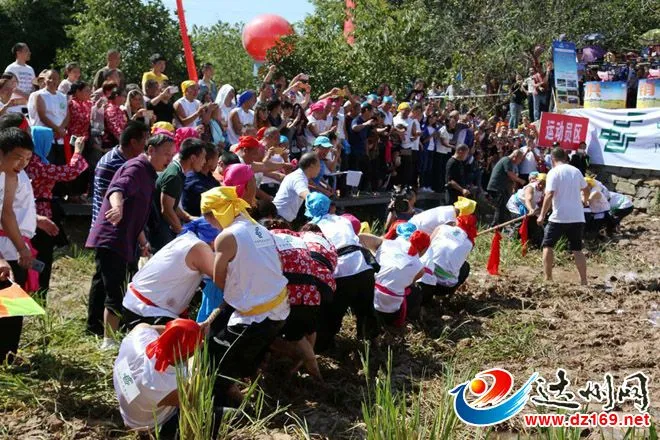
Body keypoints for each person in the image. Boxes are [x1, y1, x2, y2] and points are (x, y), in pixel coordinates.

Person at [201, 182, 290, 408]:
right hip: (280, 307)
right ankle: (253, 393)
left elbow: (217, 277)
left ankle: (235, 411)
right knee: (248, 357)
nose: (209, 224)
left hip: (255, 316)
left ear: (218, 213)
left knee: (215, 364)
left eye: (208, 218)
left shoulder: (227, 236)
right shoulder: (258, 228)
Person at [86, 134, 176, 348]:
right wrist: (117, 207)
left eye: (172, 155)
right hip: (113, 235)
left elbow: (137, 211)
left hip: (125, 236)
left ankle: (94, 328)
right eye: (165, 154)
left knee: (103, 283)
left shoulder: (149, 173)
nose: (169, 159)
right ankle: (109, 340)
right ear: (151, 150)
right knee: (116, 288)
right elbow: (118, 189)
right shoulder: (136, 168)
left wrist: (143, 240)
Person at [262, 222, 337, 380]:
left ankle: (309, 366)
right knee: (309, 327)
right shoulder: (306, 241)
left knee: (287, 335)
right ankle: (303, 362)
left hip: (295, 294)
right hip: (317, 289)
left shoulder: (270, 238)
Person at [305, 192, 377, 351]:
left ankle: (324, 347)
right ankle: (370, 346)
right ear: (330, 206)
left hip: (341, 274)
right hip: (363, 268)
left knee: (332, 315)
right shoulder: (343, 220)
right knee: (365, 311)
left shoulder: (315, 228)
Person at [113, 319, 204, 438]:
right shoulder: (168, 385)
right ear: (187, 353)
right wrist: (197, 352)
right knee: (214, 408)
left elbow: (151, 328)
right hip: (144, 425)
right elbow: (192, 399)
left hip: (129, 408)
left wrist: (184, 331)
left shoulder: (140, 335)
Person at [122, 217, 218, 329]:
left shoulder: (186, 239)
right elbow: (222, 278)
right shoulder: (198, 247)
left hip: (136, 306)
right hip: (148, 312)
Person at [26, 127, 88, 295]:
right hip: (40, 216)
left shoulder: (31, 161)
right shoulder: (37, 165)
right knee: (42, 257)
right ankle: (38, 294)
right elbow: (70, 172)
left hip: (32, 214)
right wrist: (77, 152)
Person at [0, 127, 34, 363]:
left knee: (11, 306)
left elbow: (7, 213)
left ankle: (7, 356)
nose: (22, 164)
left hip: (8, 247)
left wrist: (22, 248)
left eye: (28, 159)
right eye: (18, 157)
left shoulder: (10, 175)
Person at [537, 147, 590, 285]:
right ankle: (584, 280)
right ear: (565, 158)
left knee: (548, 246)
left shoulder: (553, 172)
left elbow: (549, 194)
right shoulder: (576, 171)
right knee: (577, 249)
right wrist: (585, 200)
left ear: (553, 159)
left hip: (559, 216)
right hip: (577, 216)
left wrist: (542, 215)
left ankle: (548, 278)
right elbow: (586, 188)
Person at [359, 223, 428, 328]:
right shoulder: (420, 268)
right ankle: (409, 320)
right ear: (423, 249)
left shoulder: (386, 244)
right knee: (416, 291)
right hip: (391, 313)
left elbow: (361, 237)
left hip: (370, 304)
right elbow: (407, 284)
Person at [151, 137, 206, 252]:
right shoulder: (174, 176)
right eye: (203, 157)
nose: (204, 162)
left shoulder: (178, 172)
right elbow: (166, 210)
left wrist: (188, 218)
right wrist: (182, 233)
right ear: (192, 158)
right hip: (158, 231)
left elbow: (173, 206)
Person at [91, 121, 149, 228]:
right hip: (109, 229)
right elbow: (109, 200)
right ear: (133, 142)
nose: (146, 145)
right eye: (145, 140)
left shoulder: (134, 160)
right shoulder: (109, 164)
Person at [272, 152, 321, 224]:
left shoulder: (299, 175)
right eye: (318, 165)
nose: (320, 168)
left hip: (280, 217)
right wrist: (319, 203)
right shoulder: (299, 177)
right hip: (279, 219)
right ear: (311, 166)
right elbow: (303, 193)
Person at [34, 70, 69, 160]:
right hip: (47, 138)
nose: (52, 81)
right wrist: (57, 129)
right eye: (50, 78)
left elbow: (67, 115)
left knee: (60, 167)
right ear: (45, 80)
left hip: (61, 138)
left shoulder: (62, 96)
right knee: (48, 165)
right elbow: (42, 116)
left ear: (59, 81)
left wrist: (61, 129)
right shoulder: (40, 95)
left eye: (55, 79)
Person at [506, 172, 546, 246]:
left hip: (531, 207)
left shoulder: (545, 190)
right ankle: (512, 243)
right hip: (517, 205)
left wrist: (540, 211)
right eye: (540, 183)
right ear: (537, 180)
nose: (541, 185)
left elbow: (544, 202)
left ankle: (534, 243)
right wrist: (530, 209)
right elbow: (528, 199)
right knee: (519, 223)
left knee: (535, 224)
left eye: (544, 184)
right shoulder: (530, 187)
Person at [487, 150, 525, 227]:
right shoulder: (507, 160)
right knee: (500, 208)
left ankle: (497, 226)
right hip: (497, 187)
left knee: (502, 207)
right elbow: (510, 174)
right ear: (515, 156)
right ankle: (496, 227)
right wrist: (520, 180)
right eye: (520, 159)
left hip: (500, 187)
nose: (520, 161)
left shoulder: (508, 161)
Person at [181, 143, 219, 217]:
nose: (218, 161)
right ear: (209, 161)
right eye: (217, 158)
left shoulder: (209, 177)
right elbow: (209, 197)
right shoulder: (191, 178)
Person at [3, 43, 35, 113]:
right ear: (18, 53)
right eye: (26, 51)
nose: (29, 53)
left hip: (28, 106)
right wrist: (26, 95)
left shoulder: (30, 69)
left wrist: (31, 96)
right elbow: (7, 86)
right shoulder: (11, 68)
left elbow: (33, 85)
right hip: (14, 107)